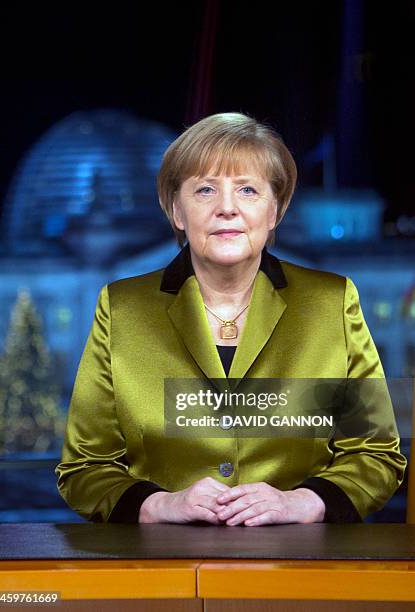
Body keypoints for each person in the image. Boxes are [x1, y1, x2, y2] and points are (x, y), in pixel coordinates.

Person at [55, 112, 406, 526]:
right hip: (162, 570)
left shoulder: (331, 302)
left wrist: (305, 502)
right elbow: (84, 468)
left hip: (301, 566)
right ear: (177, 212)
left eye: (247, 190)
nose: (227, 208)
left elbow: (375, 454)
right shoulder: (122, 309)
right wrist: (159, 505)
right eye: (205, 190)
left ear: (275, 210)